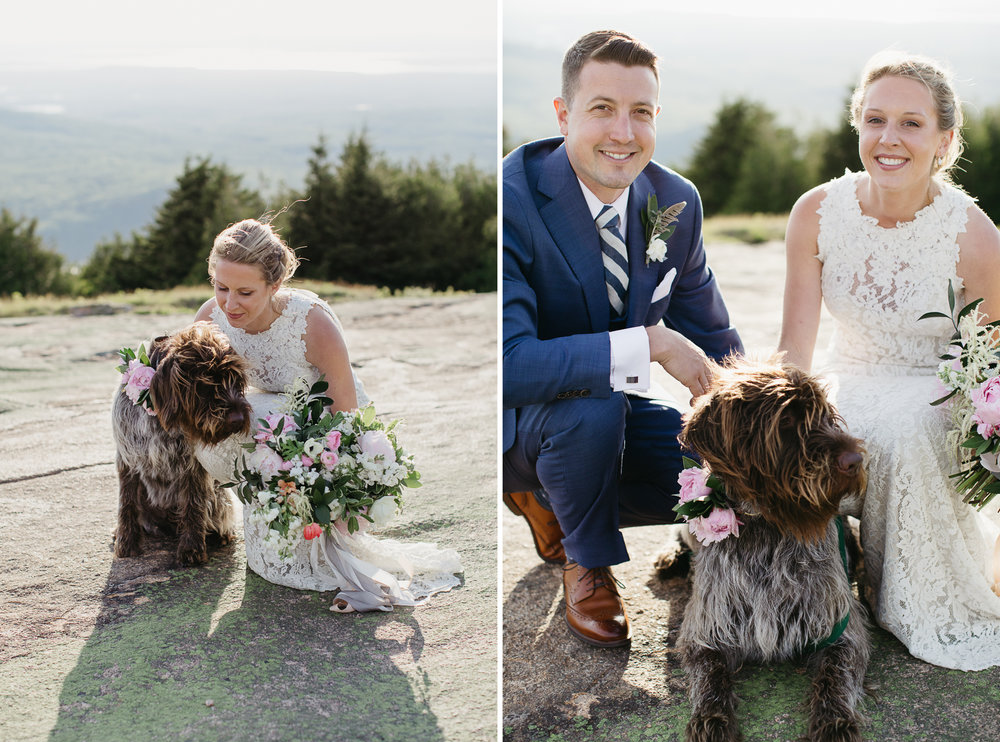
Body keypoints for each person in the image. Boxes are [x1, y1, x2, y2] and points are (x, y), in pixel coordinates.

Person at [503, 30, 742, 647]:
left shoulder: (673, 200)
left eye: (641, 112)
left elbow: (714, 334)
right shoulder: (511, 200)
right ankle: (587, 560)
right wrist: (652, 342)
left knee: (730, 475)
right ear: (563, 115)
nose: (624, 132)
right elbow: (507, 366)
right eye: (602, 109)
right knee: (594, 403)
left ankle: (556, 499)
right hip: (517, 424)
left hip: (613, 421)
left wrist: (759, 417)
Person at [779, 51, 1000, 670]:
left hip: (936, 388)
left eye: (911, 123)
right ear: (857, 127)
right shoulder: (816, 212)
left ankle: (900, 598)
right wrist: (774, 414)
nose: (889, 139)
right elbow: (795, 344)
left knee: (900, 431)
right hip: (846, 372)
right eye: (875, 120)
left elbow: (987, 369)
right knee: (794, 424)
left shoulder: (974, 236)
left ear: (944, 140)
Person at [193, 218, 461, 612]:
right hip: (263, 431)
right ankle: (266, 515)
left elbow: (346, 412)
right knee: (252, 419)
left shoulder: (310, 322)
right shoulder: (210, 320)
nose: (230, 304)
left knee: (266, 420)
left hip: (324, 426)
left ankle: (312, 533)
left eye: (245, 292)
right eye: (221, 288)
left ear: (274, 286)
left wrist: (322, 476)